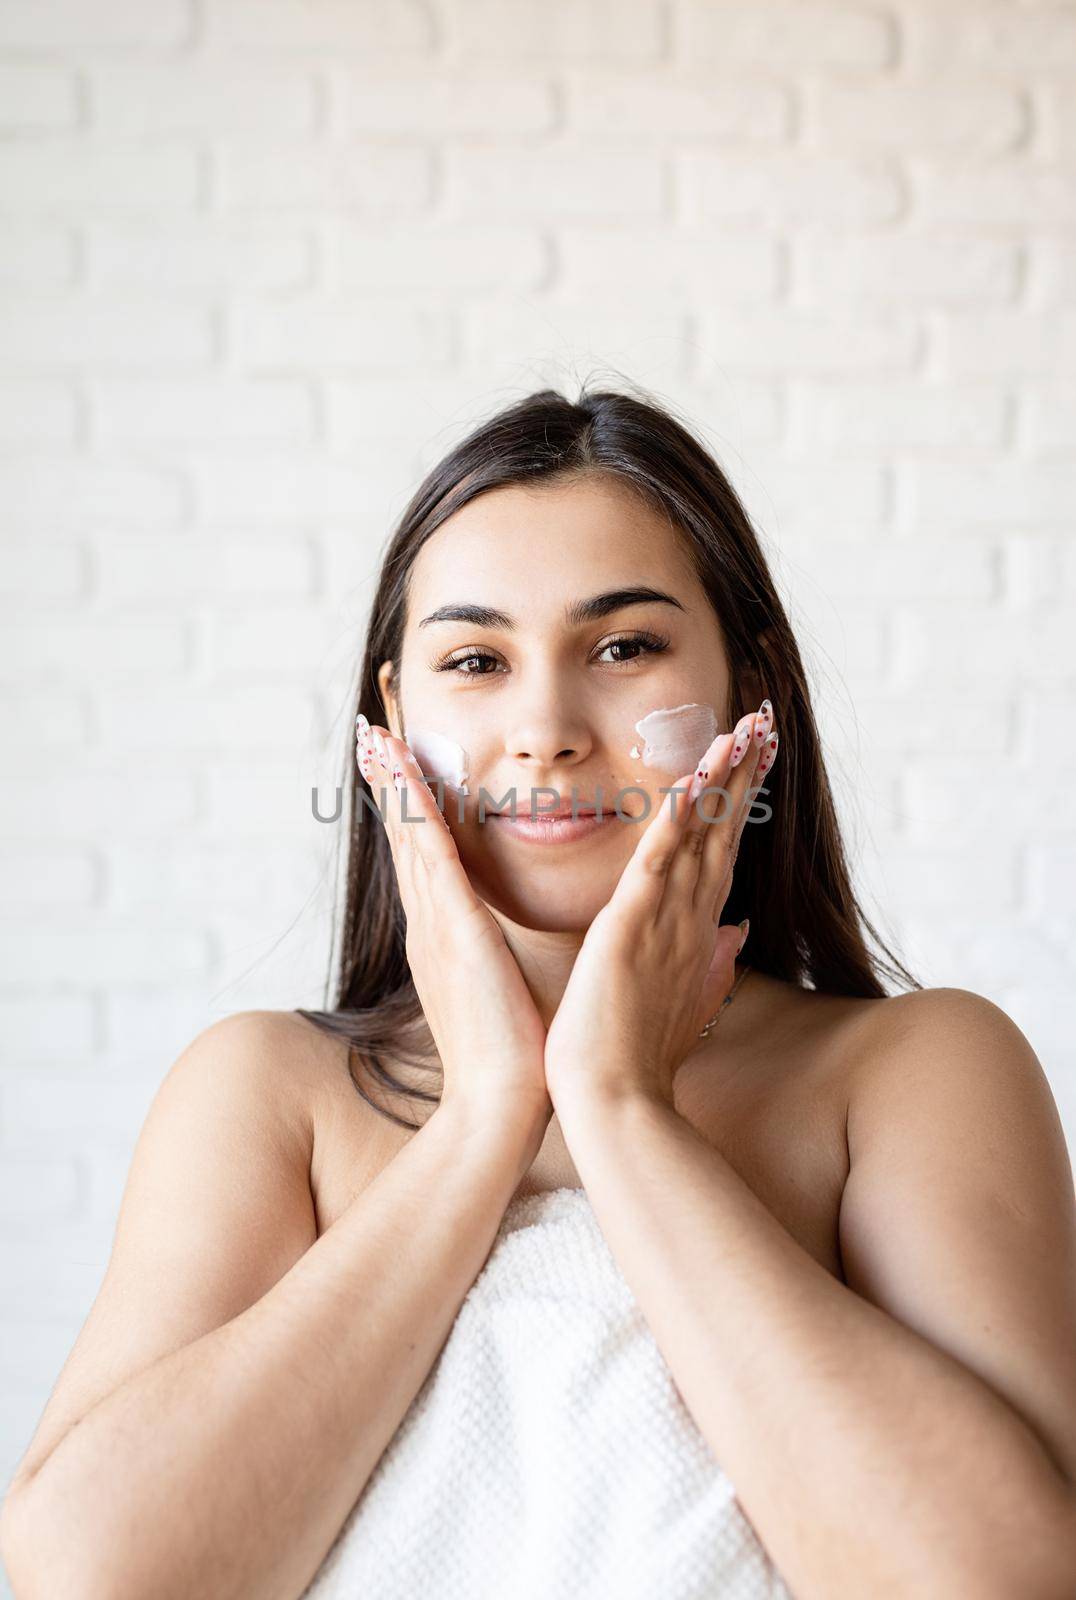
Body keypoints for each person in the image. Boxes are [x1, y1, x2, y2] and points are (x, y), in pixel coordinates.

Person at [3, 386, 1074, 1599]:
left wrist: (619, 1107)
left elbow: (998, 1579)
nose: (544, 729)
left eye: (623, 647)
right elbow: (85, 1579)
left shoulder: (910, 1074)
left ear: (747, 687)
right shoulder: (268, 1095)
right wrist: (484, 1118)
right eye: (474, 659)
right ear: (393, 718)